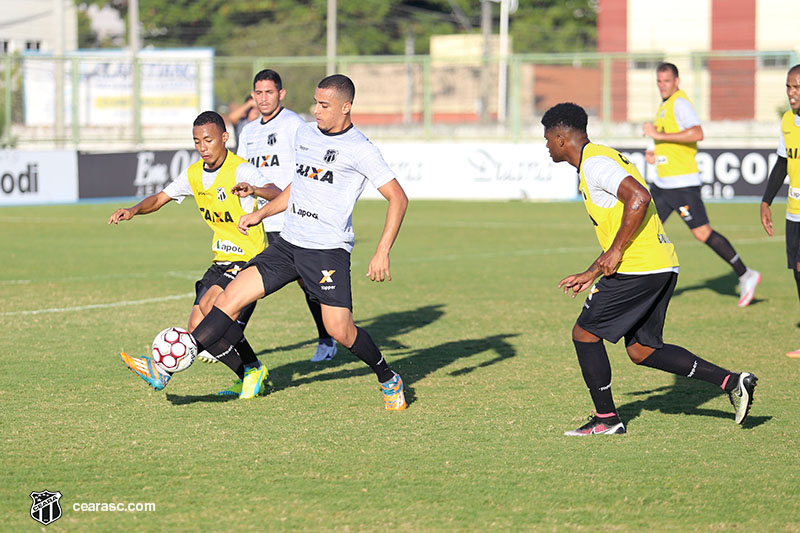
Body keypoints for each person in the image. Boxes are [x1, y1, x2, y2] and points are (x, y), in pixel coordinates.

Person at [189, 74, 410, 409]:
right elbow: (299, 186)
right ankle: (177, 357)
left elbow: (398, 198)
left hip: (326, 251)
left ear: (346, 107)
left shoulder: (361, 149)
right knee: (229, 298)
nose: (316, 110)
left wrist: (382, 251)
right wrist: (261, 215)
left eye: (324, 105)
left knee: (340, 330)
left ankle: (388, 377)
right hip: (287, 244)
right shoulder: (306, 134)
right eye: (315, 102)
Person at [542, 102, 757, 435]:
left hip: (639, 268)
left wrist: (614, 253)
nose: (545, 146)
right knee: (642, 350)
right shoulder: (599, 159)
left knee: (584, 334)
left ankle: (606, 420)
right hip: (660, 264)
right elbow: (622, 222)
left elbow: (639, 197)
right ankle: (731, 381)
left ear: (560, 138)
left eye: (546, 139)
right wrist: (593, 271)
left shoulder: (596, 163)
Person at [109, 110, 282, 399]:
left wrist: (255, 190)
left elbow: (277, 192)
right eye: (197, 141)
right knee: (196, 324)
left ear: (224, 138)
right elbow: (160, 198)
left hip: (248, 258)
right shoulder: (193, 174)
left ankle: (162, 369)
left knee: (215, 308)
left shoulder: (241, 170)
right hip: (220, 259)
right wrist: (134, 210)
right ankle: (250, 371)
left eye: (208, 140)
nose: (203, 147)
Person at [235, 68, 337, 363]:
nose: (264, 98)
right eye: (259, 92)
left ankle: (327, 337)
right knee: (248, 276)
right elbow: (242, 169)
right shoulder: (249, 131)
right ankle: (227, 335)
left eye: (269, 92)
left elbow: (306, 169)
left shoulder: (294, 125)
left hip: (288, 218)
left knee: (309, 283)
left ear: (281, 94)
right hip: (256, 219)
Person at [643, 62, 761, 307]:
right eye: (659, 81)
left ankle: (745, 273)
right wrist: (657, 153)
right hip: (662, 184)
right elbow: (674, 142)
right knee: (644, 229)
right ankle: (639, 286)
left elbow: (697, 133)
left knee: (702, 233)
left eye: (666, 81)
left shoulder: (681, 104)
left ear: (677, 81)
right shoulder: (664, 105)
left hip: (682, 184)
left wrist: (659, 136)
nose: (662, 85)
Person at [760, 64, 800, 357]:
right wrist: (766, 201)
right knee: (797, 272)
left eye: (797, 87)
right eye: (788, 87)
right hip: (793, 212)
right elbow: (782, 164)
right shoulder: (787, 121)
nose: (791, 93)